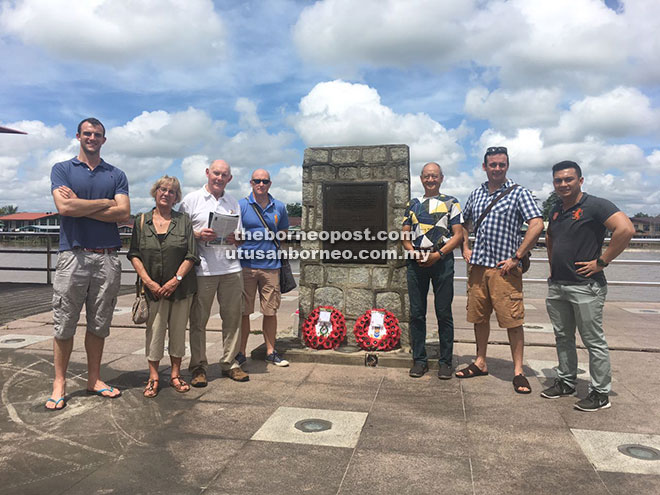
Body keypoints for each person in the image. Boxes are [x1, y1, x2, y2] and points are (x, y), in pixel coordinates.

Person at [46, 117, 130, 410]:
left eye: (97, 135)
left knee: (99, 323)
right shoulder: (63, 169)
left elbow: (123, 213)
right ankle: (59, 382)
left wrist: (82, 205)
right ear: (78, 136)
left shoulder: (116, 173)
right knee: (64, 321)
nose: (92, 138)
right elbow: (64, 207)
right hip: (74, 256)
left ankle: (94, 379)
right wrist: (105, 203)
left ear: (104, 140)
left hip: (107, 257)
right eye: (87, 133)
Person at [542, 161, 634, 411]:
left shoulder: (595, 205)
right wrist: (553, 267)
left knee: (593, 340)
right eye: (558, 180)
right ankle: (566, 381)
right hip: (559, 284)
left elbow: (625, 229)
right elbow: (550, 237)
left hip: (586, 285)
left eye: (568, 179)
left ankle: (601, 392)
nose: (563, 184)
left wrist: (602, 261)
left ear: (580, 181)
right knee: (562, 336)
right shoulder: (556, 209)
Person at [458, 146, 543, 394]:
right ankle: (480, 361)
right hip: (478, 267)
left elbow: (536, 224)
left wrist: (518, 256)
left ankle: (518, 371)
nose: (497, 169)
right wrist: (465, 246)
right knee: (478, 317)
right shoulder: (476, 194)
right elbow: (465, 222)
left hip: (504, 269)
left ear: (507, 166)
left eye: (501, 164)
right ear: (484, 167)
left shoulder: (519, 193)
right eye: (492, 164)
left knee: (513, 320)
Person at [127, 176, 198, 398]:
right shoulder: (141, 220)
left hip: (181, 288)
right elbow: (134, 254)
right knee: (155, 333)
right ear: (155, 192)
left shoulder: (184, 221)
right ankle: (154, 377)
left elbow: (191, 254)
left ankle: (176, 374)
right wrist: (149, 282)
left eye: (172, 191)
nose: (166, 194)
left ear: (177, 197)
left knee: (178, 333)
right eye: (162, 189)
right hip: (153, 291)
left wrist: (174, 280)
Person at [179, 159, 248, 385]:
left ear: (230, 179)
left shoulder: (233, 202)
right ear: (208, 173)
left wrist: (236, 238)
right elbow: (179, 234)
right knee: (198, 321)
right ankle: (198, 366)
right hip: (203, 269)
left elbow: (240, 236)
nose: (219, 178)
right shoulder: (191, 200)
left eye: (224, 175)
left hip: (231, 268)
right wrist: (197, 235)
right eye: (216, 173)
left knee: (232, 319)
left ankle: (230, 363)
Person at [402, 162, 463, 379]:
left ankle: (445, 362)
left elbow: (458, 234)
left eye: (434, 176)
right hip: (416, 261)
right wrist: (412, 252)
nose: (430, 180)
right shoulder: (413, 204)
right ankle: (420, 360)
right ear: (421, 178)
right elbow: (405, 234)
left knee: (443, 312)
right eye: (427, 176)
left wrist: (440, 254)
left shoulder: (451, 202)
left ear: (441, 178)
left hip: (442, 261)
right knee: (417, 313)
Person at [237, 169, 290, 367]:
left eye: (265, 181)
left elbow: (284, 230)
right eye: (257, 181)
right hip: (246, 267)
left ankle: (270, 350)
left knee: (270, 311)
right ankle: (241, 352)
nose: (261, 184)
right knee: (244, 311)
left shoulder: (280, 207)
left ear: (270, 183)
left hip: (271, 266)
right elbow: (234, 233)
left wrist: (276, 241)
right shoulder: (241, 205)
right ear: (251, 183)